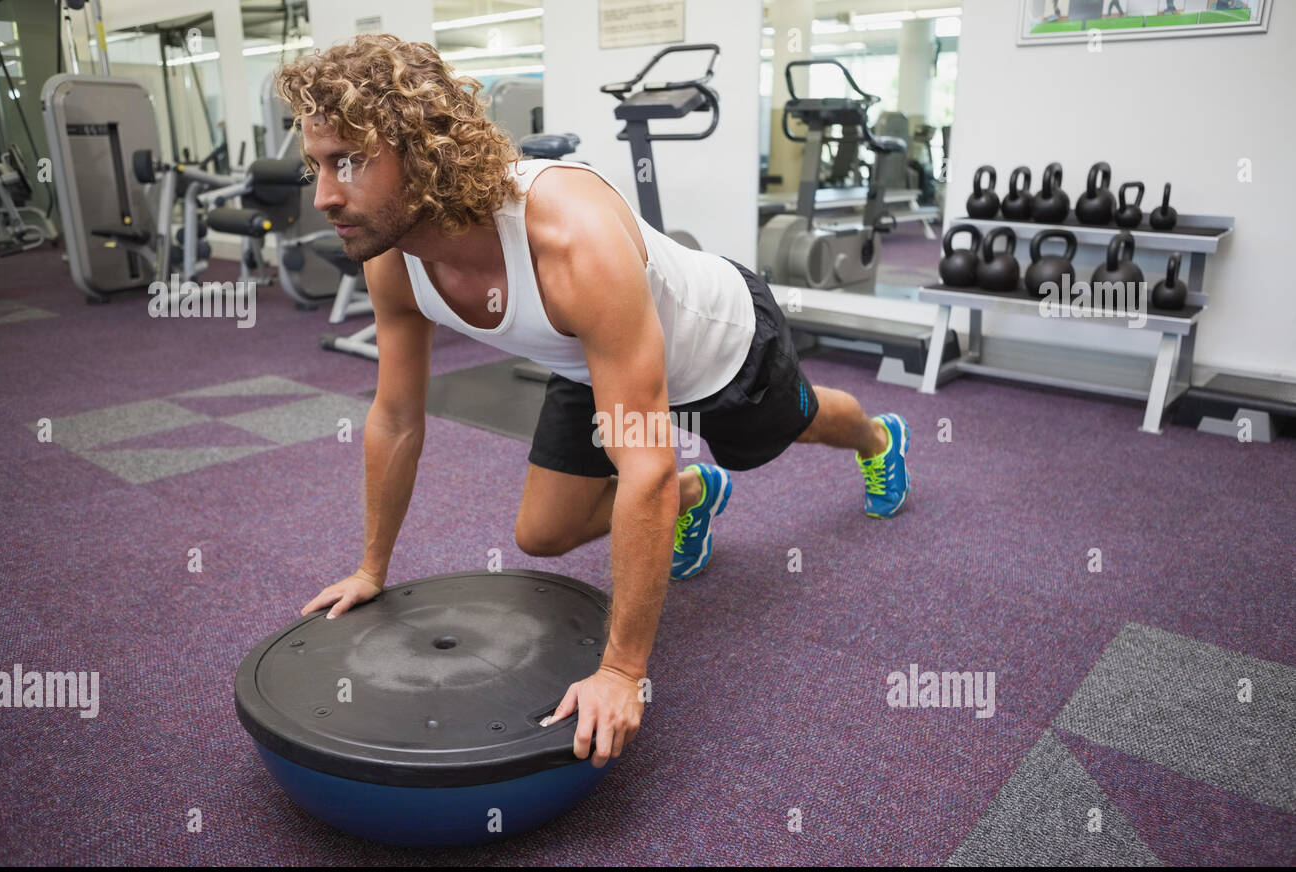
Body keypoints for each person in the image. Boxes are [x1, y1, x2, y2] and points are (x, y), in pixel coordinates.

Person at [283, 35, 911, 770]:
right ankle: (694, 496)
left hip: (718, 346)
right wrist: (370, 569)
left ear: (420, 152)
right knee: (542, 534)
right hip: (590, 361)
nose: (325, 195)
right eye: (317, 165)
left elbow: (640, 465)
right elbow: (395, 417)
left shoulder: (568, 237)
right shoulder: (393, 259)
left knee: (804, 425)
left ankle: (878, 440)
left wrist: (621, 671)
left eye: (348, 163)